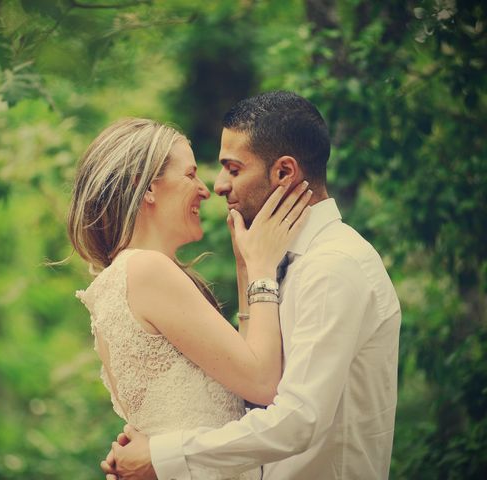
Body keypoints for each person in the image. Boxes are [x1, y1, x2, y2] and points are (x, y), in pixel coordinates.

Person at [102, 91, 402, 479]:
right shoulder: (281, 260)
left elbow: (299, 419)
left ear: (283, 173)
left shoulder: (333, 267)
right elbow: (251, 398)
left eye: (233, 168)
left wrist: (163, 455)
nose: (219, 185)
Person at [68, 117, 312, 480]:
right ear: (146, 187)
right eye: (190, 174)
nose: (205, 189)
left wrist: (245, 271)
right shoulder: (148, 270)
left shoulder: (121, 278)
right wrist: (262, 271)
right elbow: (264, 384)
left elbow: (241, 378)